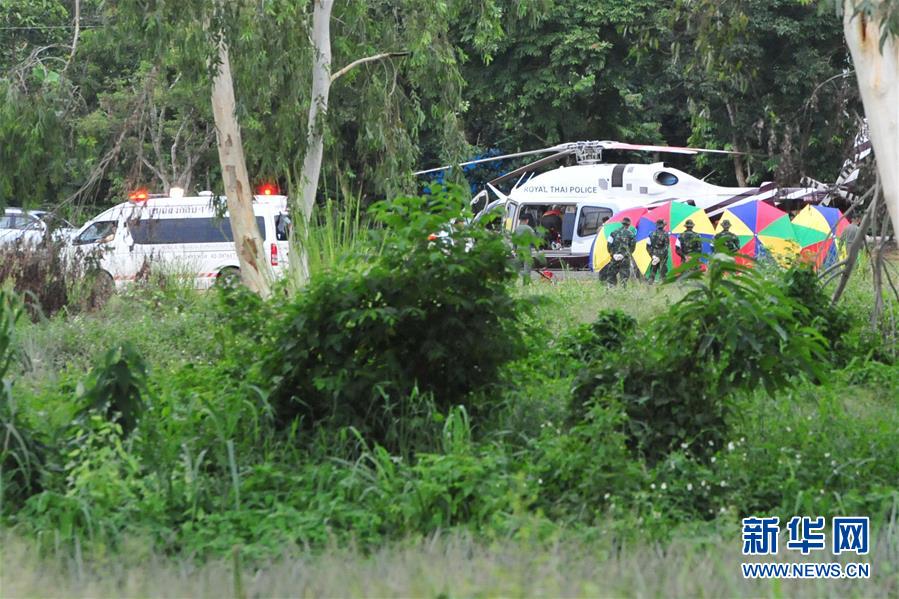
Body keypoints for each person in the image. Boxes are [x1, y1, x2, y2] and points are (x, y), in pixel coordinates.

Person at [606, 216, 636, 285]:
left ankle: (611, 290)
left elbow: (608, 245)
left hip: (614, 258)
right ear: (629, 225)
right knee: (624, 277)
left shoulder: (613, 233)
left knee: (611, 276)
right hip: (625, 258)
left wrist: (613, 254)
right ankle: (623, 291)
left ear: (622, 223)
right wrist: (626, 254)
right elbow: (633, 247)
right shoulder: (631, 234)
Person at [647, 218, 669, 283]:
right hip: (662, 257)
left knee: (652, 272)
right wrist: (660, 256)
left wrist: (653, 256)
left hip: (654, 256)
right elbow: (666, 247)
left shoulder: (651, 234)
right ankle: (664, 287)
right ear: (663, 225)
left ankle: (649, 286)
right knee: (663, 273)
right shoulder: (665, 234)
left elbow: (648, 247)